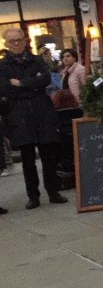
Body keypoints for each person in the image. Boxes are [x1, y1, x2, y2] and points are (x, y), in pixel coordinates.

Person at [0, 28, 68, 209]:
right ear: (6, 44)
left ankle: (53, 191)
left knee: (48, 154)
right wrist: (32, 83)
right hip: (19, 114)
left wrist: (21, 83)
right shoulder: (3, 66)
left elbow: (45, 79)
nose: (16, 43)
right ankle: (33, 196)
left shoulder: (37, 60)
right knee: (27, 158)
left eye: (19, 39)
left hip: (42, 111)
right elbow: (5, 89)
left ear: (25, 40)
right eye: (12, 41)